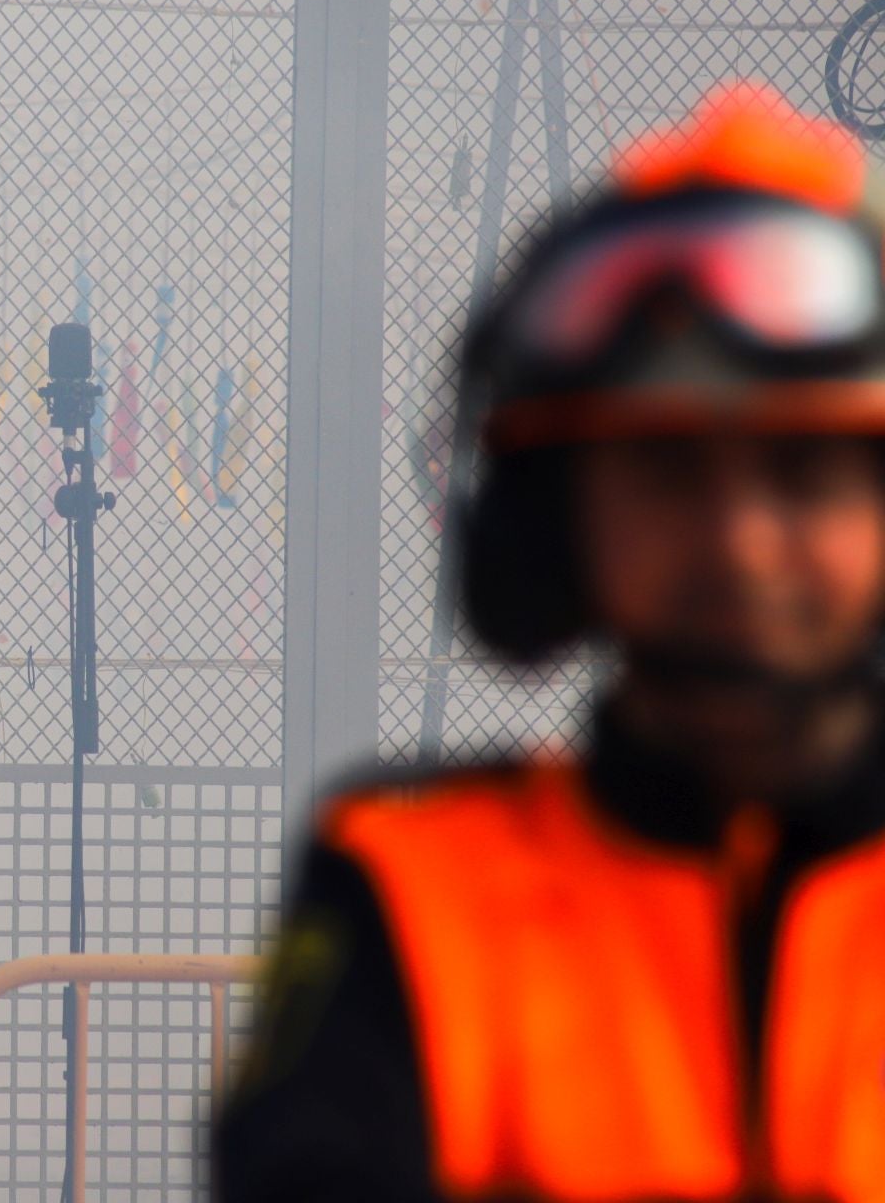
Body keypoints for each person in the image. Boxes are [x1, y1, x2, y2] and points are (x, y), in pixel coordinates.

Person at [212, 82, 885, 1202]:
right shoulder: (411, 885)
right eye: (667, 475)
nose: (741, 543)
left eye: (803, 475)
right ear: (551, 518)